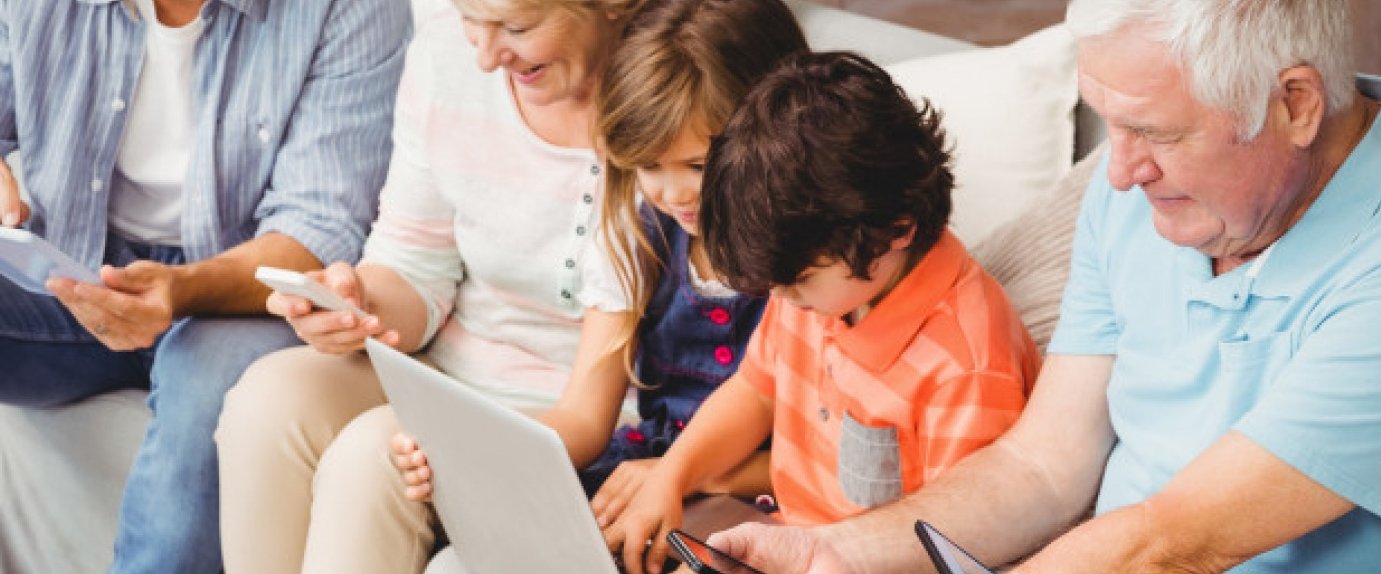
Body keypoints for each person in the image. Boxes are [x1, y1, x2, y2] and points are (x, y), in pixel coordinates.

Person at [710, 1, 1381, 573]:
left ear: (1294, 105)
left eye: (1154, 131)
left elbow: (1174, 542)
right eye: (1107, 122)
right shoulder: (1142, 198)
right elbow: (1040, 467)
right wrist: (832, 552)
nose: (1118, 172)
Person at [212, 0, 645, 572]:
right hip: (453, 367)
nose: (487, 57)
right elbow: (414, 261)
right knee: (267, 398)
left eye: (517, 27)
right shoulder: (447, 58)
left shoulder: (682, 84)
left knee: (374, 456)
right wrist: (355, 304)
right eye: (470, 17)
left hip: (593, 408)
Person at [389, 2, 811, 570]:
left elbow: (822, 458)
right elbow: (585, 417)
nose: (672, 193)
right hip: (649, 470)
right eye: (649, 166)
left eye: (696, 165)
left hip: (764, 491)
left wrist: (680, 472)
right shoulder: (636, 231)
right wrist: (473, 455)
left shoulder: (811, 265)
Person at [0, 0, 409, 572]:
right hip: (74, 262)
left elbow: (318, 225)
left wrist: (184, 287)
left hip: (246, 291)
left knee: (208, 396)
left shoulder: (352, 10)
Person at [604, 51, 1042, 574]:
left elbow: (952, 543)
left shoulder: (967, 364)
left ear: (897, 230)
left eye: (800, 281)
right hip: (777, 537)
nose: (783, 298)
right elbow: (754, 391)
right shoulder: (817, 285)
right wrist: (670, 479)